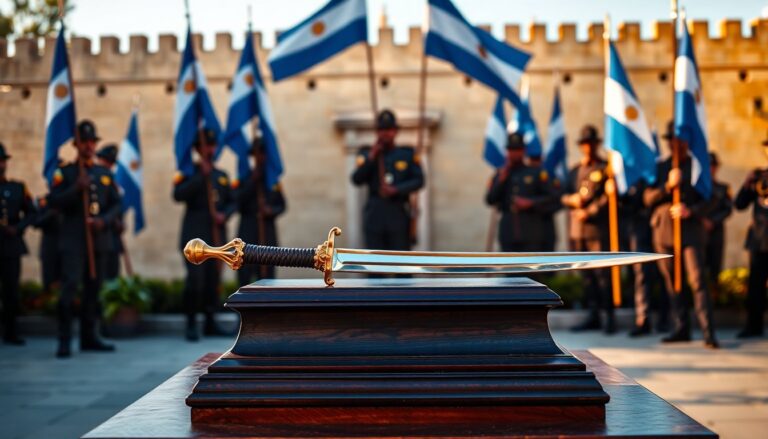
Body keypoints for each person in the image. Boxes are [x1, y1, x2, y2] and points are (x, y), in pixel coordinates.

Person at [48, 120, 120, 357]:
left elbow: (116, 204)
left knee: (94, 289)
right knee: (70, 288)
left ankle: (90, 336)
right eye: (84, 142)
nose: (89, 146)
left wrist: (103, 221)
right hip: (73, 240)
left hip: (98, 240)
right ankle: (64, 339)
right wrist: (75, 189)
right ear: (76, 144)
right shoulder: (66, 172)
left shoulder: (103, 173)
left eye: (92, 142)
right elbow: (54, 202)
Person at [643, 121, 718, 349]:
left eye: (680, 140)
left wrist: (691, 210)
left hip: (690, 232)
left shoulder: (697, 166)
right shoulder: (660, 166)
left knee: (697, 281)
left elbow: (712, 198)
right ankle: (681, 328)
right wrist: (668, 186)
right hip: (664, 231)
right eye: (672, 141)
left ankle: (708, 331)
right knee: (672, 283)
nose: (676, 145)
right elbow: (647, 198)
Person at [173, 128, 236, 341]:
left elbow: (232, 201)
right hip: (194, 239)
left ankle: (210, 322)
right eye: (205, 146)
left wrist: (224, 215)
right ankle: (191, 323)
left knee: (212, 281)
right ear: (198, 149)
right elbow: (178, 194)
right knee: (195, 281)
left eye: (212, 145)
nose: (209, 149)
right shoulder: (189, 173)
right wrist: (201, 176)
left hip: (216, 238)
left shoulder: (222, 176)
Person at [560, 125, 614, 334]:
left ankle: (608, 316)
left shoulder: (605, 168)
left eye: (591, 143)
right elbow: (562, 195)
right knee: (587, 277)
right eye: (585, 144)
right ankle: (593, 315)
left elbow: (608, 197)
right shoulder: (575, 170)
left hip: (597, 230)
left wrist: (589, 212)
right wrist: (571, 199)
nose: (588, 147)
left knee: (602, 275)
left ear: (597, 144)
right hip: (578, 230)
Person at [351, 109, 424, 253]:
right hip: (375, 215)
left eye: (389, 129)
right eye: (382, 129)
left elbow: (419, 180)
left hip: (398, 214)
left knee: (402, 265)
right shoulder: (367, 154)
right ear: (377, 132)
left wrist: (397, 189)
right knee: (374, 266)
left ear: (396, 131)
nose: (385, 133)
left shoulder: (407, 154)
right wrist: (372, 157)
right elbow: (356, 179)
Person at [485, 133, 556, 252]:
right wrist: (501, 180)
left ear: (523, 151)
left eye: (517, 149)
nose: (514, 153)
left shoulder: (535, 172)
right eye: (511, 150)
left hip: (531, 233)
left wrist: (531, 203)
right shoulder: (501, 174)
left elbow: (552, 198)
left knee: (530, 269)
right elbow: (490, 199)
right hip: (508, 233)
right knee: (509, 269)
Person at [235, 137, 286, 284]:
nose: (260, 157)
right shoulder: (244, 178)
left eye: (263, 153)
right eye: (257, 153)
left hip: (267, 233)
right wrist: (252, 181)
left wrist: (270, 210)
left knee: (267, 274)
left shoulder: (272, 180)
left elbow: (282, 205)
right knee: (245, 274)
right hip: (248, 231)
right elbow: (237, 202)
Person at [0, 142, 36, 345]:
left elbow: (31, 212)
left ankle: (11, 332)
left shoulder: (17, 188)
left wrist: (19, 227)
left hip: (11, 245)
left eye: (2, 161)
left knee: (11, 291)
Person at [620, 180, 667, 336]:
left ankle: (665, 319)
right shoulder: (634, 175)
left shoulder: (663, 168)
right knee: (642, 275)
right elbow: (631, 203)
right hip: (639, 230)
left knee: (664, 274)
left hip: (662, 229)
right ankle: (643, 319)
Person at [734, 138, 768, 338]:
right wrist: (748, 184)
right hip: (759, 240)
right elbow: (739, 205)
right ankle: (753, 326)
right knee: (755, 287)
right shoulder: (757, 175)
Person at [702, 152, 732, 303]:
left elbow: (728, 209)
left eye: (713, 166)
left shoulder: (723, 188)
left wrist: (712, 221)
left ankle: (715, 300)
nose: (710, 169)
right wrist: (702, 221)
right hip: (700, 233)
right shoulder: (699, 188)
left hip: (716, 233)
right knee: (700, 268)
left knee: (715, 267)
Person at [96, 144, 123, 281]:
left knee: (113, 275)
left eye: (111, 162)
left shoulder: (111, 180)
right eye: (106, 160)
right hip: (99, 236)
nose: (108, 165)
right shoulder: (94, 177)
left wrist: (120, 223)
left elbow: (117, 205)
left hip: (113, 237)